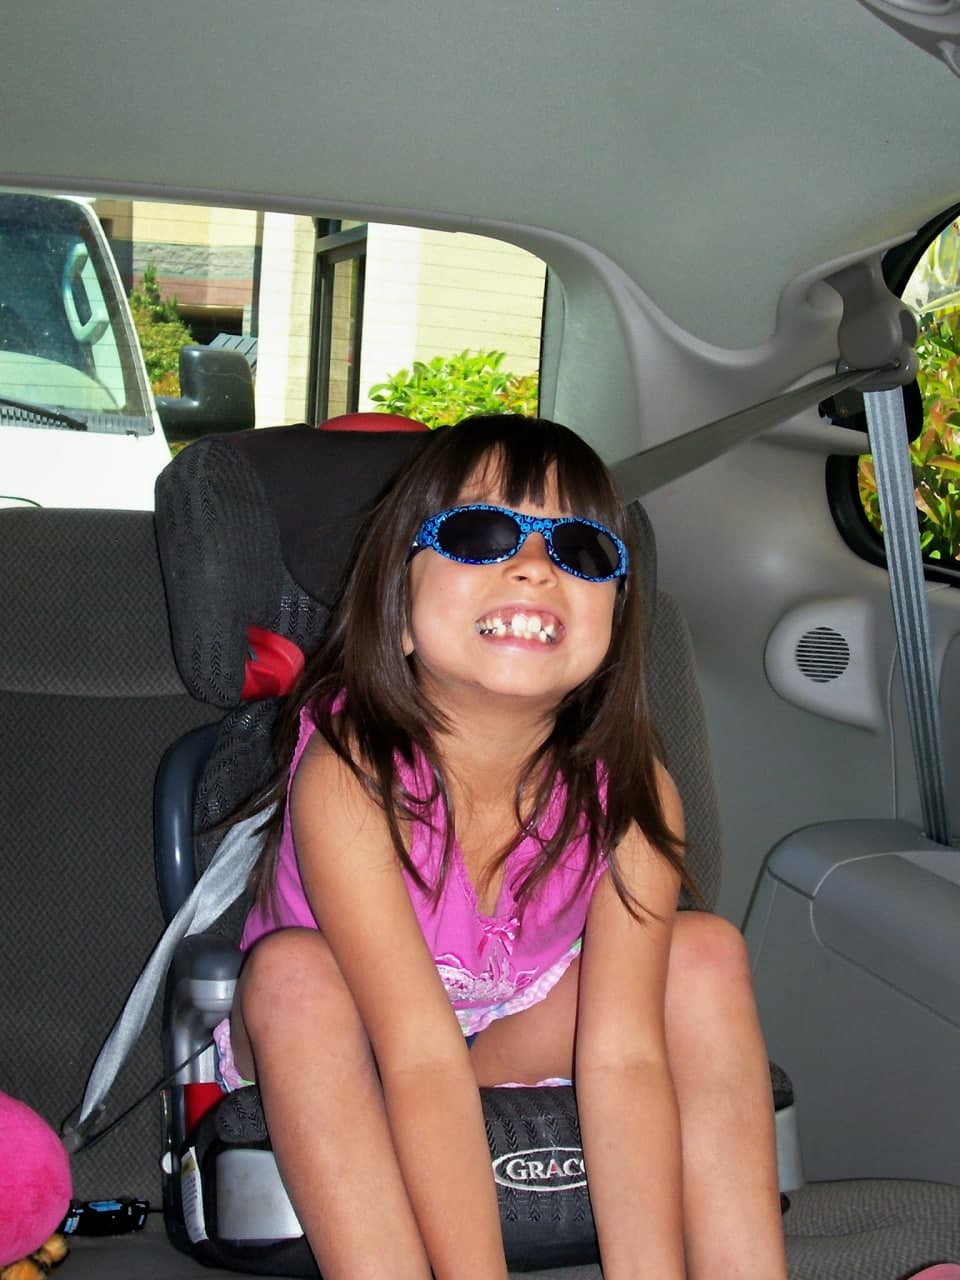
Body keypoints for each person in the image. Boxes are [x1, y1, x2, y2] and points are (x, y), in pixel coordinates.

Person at [213, 414, 788, 1280]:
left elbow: (626, 1056)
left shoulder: (633, 795)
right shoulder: (351, 773)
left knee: (704, 955)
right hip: (350, 1039)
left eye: (583, 551)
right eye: (479, 535)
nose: (535, 566)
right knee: (296, 976)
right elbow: (416, 1055)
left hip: (505, 1027)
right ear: (399, 613)